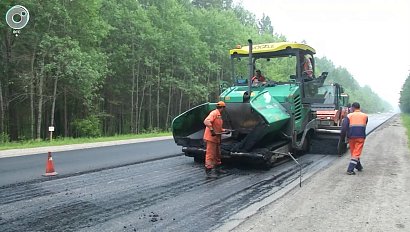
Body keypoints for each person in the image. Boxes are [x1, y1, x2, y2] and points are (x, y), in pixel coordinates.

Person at [340, 102, 368, 175]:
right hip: (360, 137)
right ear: (359, 107)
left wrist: (342, 138)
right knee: (356, 153)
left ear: (352, 108)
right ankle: (350, 169)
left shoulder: (349, 116)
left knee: (354, 153)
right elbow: (365, 124)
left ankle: (358, 167)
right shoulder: (365, 116)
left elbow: (344, 128)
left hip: (351, 137)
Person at [203, 101, 228, 178]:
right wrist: (211, 130)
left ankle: (218, 168)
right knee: (210, 154)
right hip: (211, 138)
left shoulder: (218, 115)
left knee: (217, 154)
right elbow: (206, 121)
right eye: (224, 108)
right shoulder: (214, 113)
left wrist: (224, 130)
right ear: (223, 108)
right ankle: (208, 171)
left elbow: (217, 127)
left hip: (217, 138)